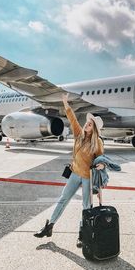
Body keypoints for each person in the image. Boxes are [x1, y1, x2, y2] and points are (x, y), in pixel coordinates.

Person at [34, 93, 105, 239]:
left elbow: (101, 160)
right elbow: (71, 117)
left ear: (94, 129)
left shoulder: (97, 142)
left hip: (87, 177)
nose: (86, 124)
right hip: (75, 173)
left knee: (86, 206)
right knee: (63, 199)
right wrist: (65, 102)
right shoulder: (79, 134)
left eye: (90, 124)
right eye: (87, 122)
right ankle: (49, 226)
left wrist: (101, 168)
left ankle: (83, 234)